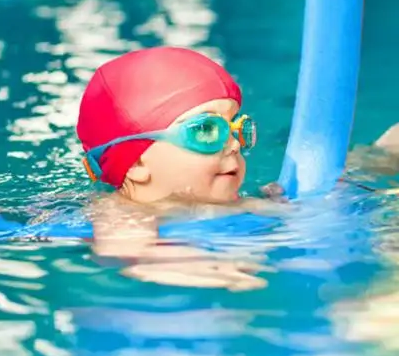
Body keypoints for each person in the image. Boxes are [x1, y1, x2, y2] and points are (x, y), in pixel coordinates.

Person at [76, 46, 399, 290]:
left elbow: (309, 217)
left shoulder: (239, 202)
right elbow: (132, 254)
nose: (233, 144)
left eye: (236, 130)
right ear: (135, 164)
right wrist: (198, 266)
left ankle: (374, 159)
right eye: (205, 131)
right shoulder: (120, 213)